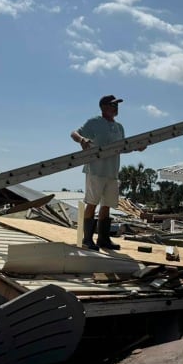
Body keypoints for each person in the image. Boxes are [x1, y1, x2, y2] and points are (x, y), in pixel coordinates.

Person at [70, 94, 127, 251]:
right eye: (112, 105)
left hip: (112, 171)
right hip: (95, 169)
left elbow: (122, 147)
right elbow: (74, 133)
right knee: (92, 203)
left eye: (117, 106)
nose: (115, 108)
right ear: (103, 107)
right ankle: (87, 239)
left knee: (107, 205)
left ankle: (103, 239)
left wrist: (137, 147)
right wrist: (82, 140)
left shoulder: (119, 127)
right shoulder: (94, 122)